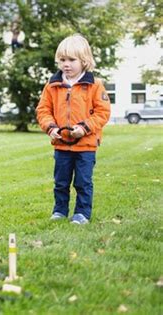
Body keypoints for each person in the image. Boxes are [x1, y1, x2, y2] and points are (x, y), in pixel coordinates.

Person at [36, 34, 111, 225]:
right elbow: (43, 110)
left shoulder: (94, 85)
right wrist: (51, 128)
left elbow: (103, 113)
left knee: (83, 182)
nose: (66, 64)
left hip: (85, 146)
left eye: (71, 60)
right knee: (61, 182)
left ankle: (82, 213)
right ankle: (60, 210)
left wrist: (84, 128)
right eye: (62, 60)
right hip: (61, 145)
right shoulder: (52, 85)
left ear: (84, 61)